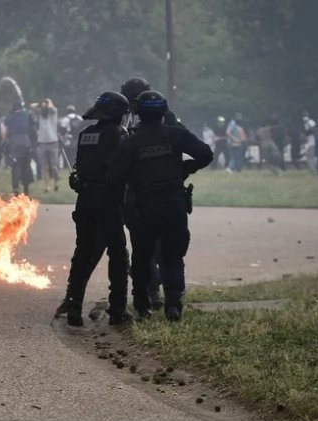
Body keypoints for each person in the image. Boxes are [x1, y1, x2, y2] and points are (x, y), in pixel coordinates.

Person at [107, 91, 213, 321]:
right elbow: (206, 154)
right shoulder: (175, 135)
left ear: (137, 113)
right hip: (174, 206)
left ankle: (142, 305)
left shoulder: (130, 143)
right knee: (173, 255)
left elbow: (115, 178)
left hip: (143, 209)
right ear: (164, 111)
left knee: (142, 256)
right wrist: (187, 168)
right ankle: (173, 304)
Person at [55, 92, 132, 327]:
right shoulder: (119, 135)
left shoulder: (86, 135)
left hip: (85, 199)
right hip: (109, 199)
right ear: (119, 115)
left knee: (83, 253)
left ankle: (74, 306)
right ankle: (118, 310)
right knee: (118, 253)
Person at [3, 101, 34, 195]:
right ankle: (26, 186)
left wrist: (5, 143)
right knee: (26, 164)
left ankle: (16, 187)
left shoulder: (9, 117)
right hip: (26, 141)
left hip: (14, 142)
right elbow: (32, 127)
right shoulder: (26, 115)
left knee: (16, 165)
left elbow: (6, 130)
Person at [35, 98, 60, 192]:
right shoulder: (40, 114)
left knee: (54, 166)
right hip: (42, 142)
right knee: (44, 166)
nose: (44, 105)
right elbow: (32, 106)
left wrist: (49, 101)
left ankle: (56, 183)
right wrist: (40, 104)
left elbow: (52, 107)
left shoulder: (53, 113)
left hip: (53, 142)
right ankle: (46, 186)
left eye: (46, 104)